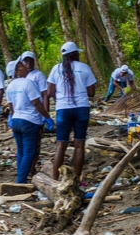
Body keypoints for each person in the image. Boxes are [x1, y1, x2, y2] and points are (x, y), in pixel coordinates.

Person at [47, 42, 97, 180]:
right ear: (75, 54)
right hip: (81, 108)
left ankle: (55, 180)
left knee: (60, 146)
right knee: (79, 146)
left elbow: (50, 92)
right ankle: (76, 178)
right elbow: (91, 92)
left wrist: (63, 96)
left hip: (63, 109)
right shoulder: (84, 68)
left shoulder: (56, 69)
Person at [5, 60, 53, 183]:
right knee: (29, 153)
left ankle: (20, 178)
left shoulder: (10, 86)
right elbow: (36, 102)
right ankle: (21, 181)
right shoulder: (28, 83)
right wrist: (47, 117)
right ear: (16, 71)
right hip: (29, 121)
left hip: (16, 120)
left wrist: (11, 118)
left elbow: (11, 107)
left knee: (21, 151)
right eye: (21, 66)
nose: (25, 67)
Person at [20, 51, 49, 167]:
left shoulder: (38, 75)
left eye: (30, 60)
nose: (28, 62)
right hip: (23, 114)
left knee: (35, 143)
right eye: (25, 60)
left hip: (36, 113)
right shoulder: (21, 76)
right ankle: (25, 167)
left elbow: (45, 95)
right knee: (24, 143)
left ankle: (31, 167)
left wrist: (45, 115)